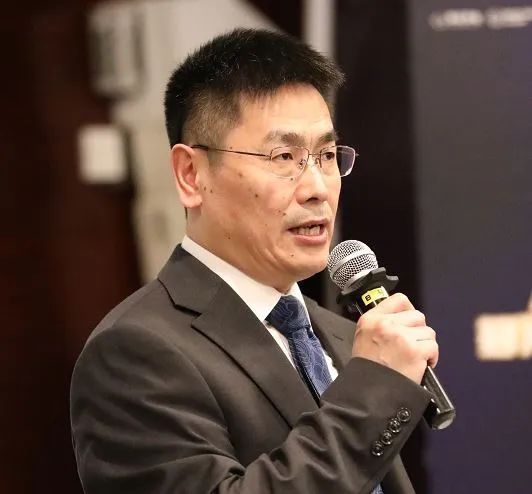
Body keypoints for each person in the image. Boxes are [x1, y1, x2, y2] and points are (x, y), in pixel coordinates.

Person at [70, 28, 437, 494]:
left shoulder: (343, 337)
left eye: (326, 155)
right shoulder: (134, 353)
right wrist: (372, 393)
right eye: (283, 156)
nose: (317, 188)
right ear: (191, 174)